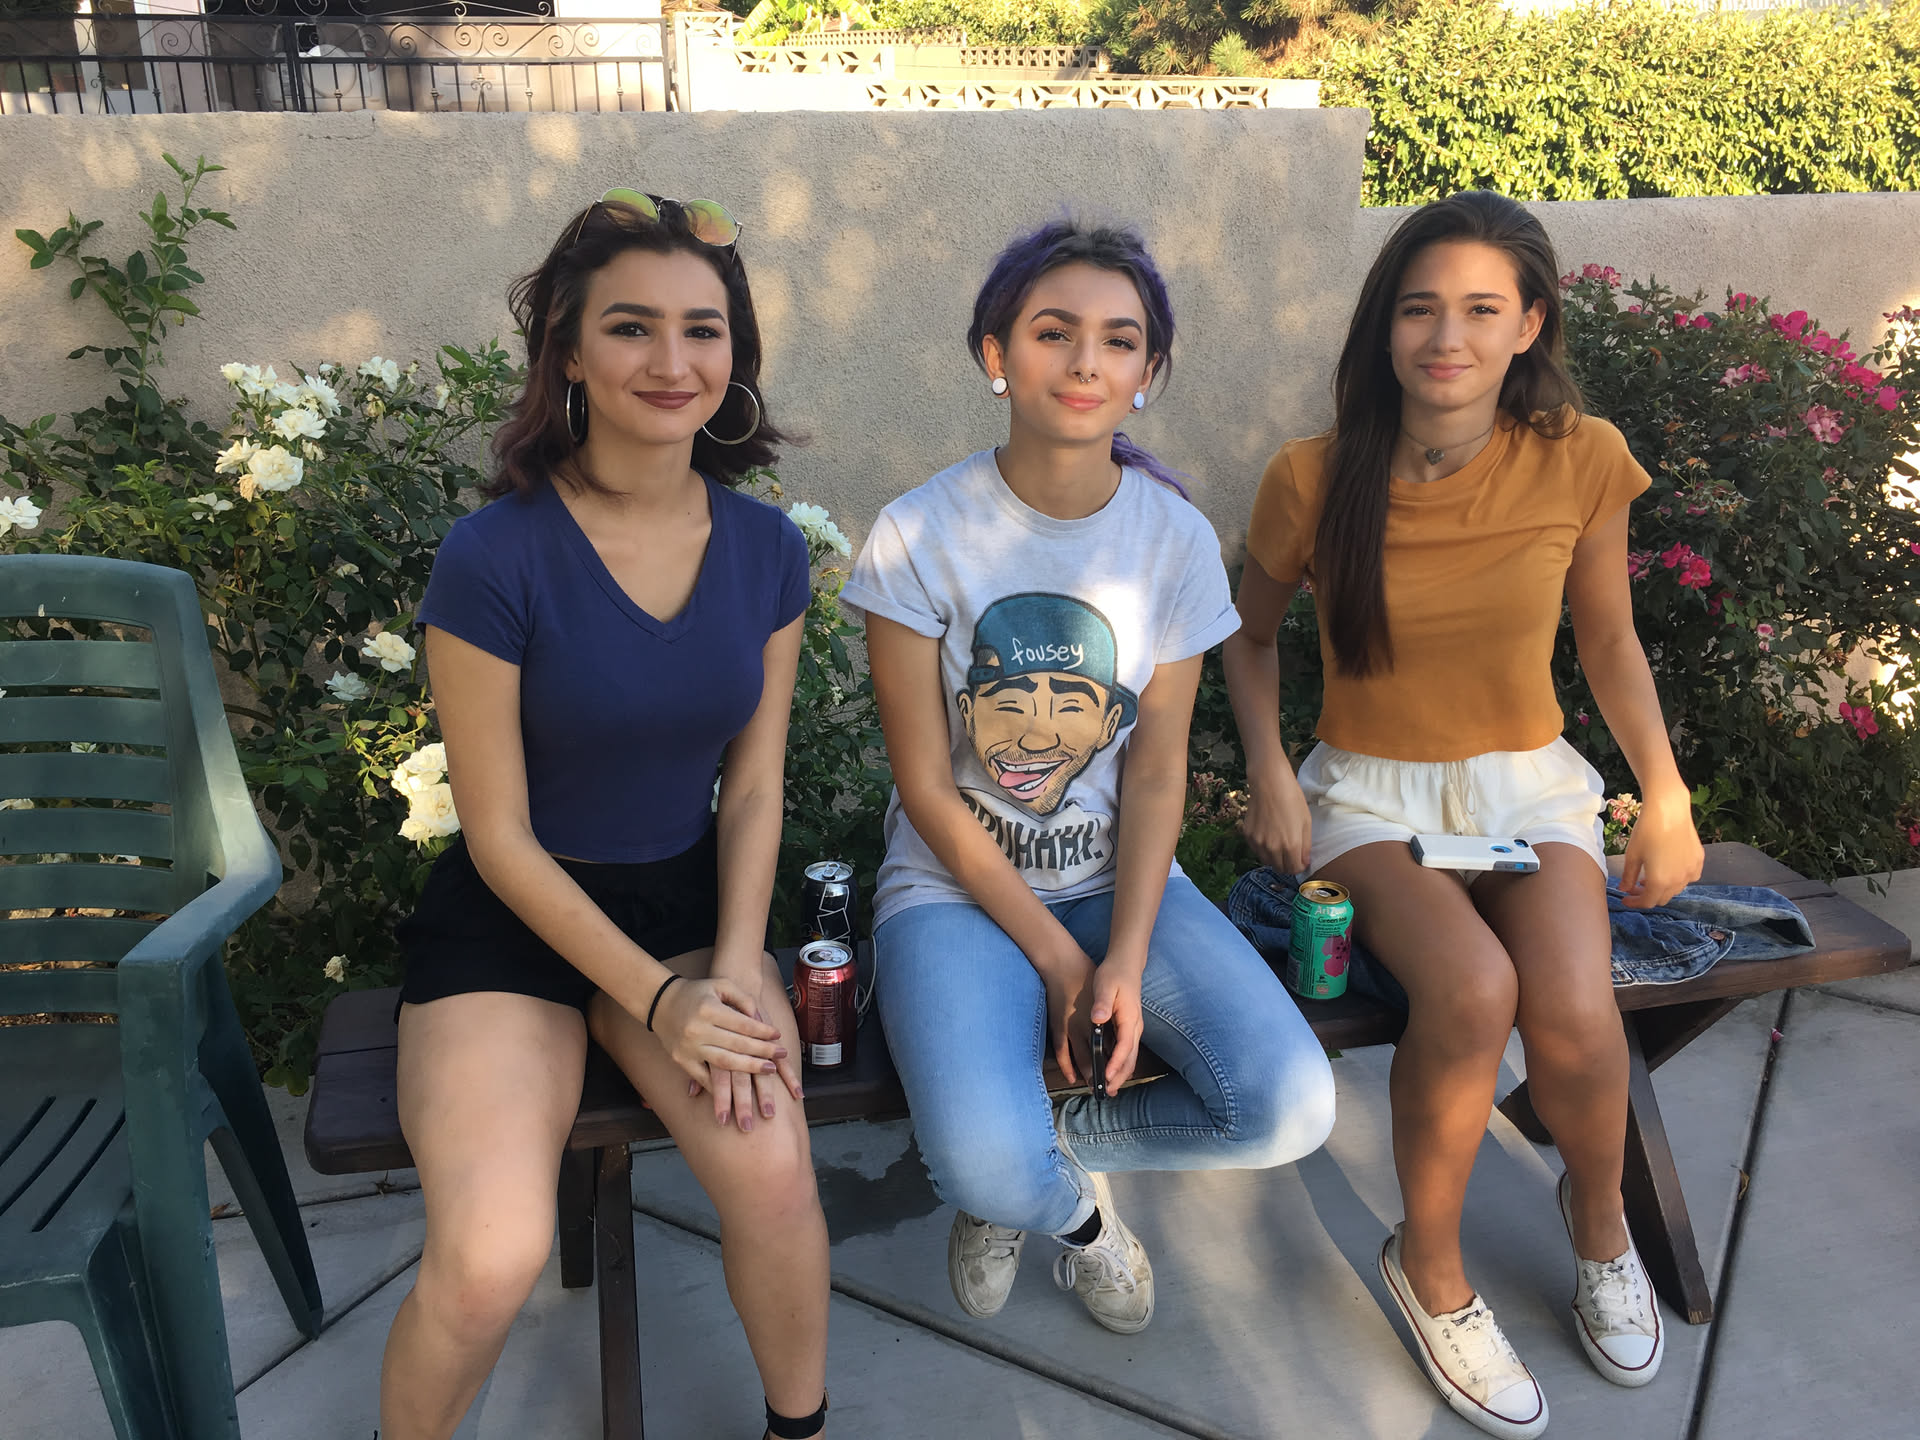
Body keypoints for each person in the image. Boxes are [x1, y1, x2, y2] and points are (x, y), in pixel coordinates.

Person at [1223, 190, 1704, 1438]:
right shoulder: (1312, 476)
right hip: (1370, 795)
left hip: (1528, 786)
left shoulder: (1582, 457)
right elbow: (1246, 635)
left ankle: (1599, 1224)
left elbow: (1609, 639)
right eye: (1420, 308)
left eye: (1483, 309)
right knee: (1474, 989)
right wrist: (1270, 770)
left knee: (1575, 1006)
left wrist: (1664, 793)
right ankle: (1429, 1266)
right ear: (1383, 325)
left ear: (1528, 324)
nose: (1448, 337)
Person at [380, 192, 830, 1440]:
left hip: (687, 907)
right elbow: (497, 836)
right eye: (632, 327)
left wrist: (732, 968)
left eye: (703, 329)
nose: (672, 361)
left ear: (735, 354)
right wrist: (659, 1001)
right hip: (512, 923)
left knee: (774, 1175)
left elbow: (754, 786)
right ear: (569, 353)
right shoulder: (495, 556)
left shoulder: (767, 552)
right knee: (491, 1253)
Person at [841, 219, 1337, 1336]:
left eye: (1118, 340)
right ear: (996, 355)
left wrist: (1121, 952)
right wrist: (1062, 960)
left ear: (1147, 371)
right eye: (1053, 332)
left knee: (1288, 1105)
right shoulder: (919, 533)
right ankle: (1065, 1213)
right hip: (953, 891)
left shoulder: (1172, 539)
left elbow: (1157, 770)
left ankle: (1036, 1157)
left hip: (1118, 881)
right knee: (974, 1163)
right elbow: (926, 787)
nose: (1084, 362)